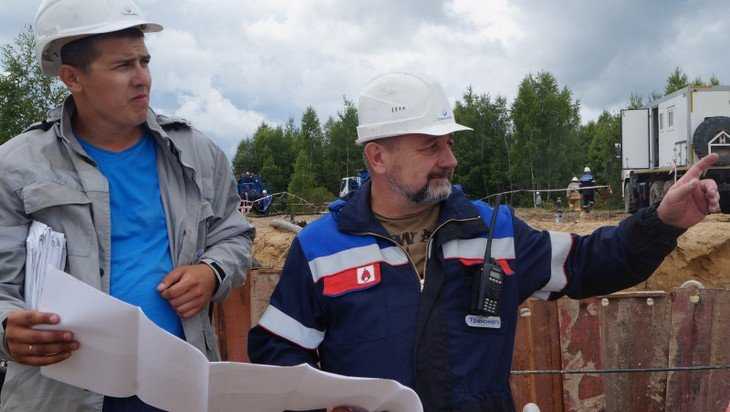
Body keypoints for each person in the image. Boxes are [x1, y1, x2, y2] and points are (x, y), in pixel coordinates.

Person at [248, 72, 720, 412]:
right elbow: (278, 352)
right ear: (378, 157)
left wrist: (663, 221)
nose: (449, 159)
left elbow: (592, 262)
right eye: (431, 146)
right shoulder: (321, 247)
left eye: (450, 143)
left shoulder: (495, 232)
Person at [0, 1, 253, 410]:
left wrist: (211, 271)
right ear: (72, 78)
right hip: (61, 396)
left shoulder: (195, 153)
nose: (142, 78)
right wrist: (7, 328)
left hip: (177, 389)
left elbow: (234, 235)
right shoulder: (15, 166)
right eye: (122, 66)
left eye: (144, 61)